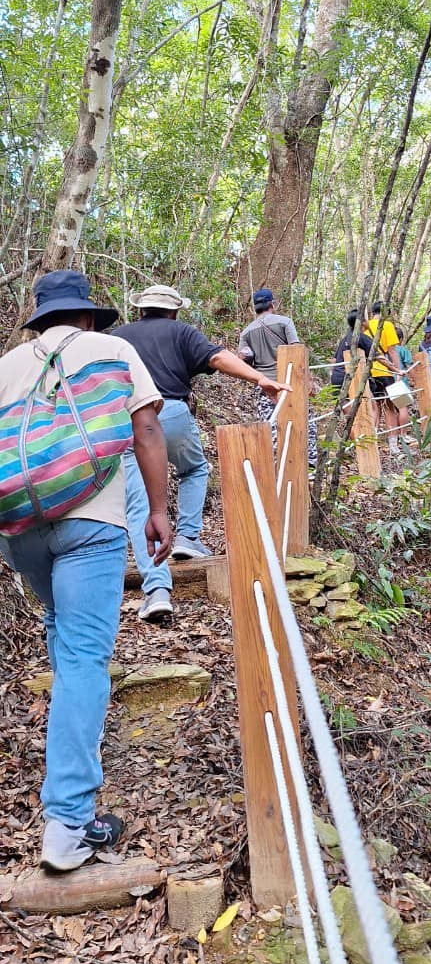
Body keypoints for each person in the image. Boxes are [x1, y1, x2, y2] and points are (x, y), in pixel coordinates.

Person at [0, 271, 173, 872]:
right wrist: (155, 510)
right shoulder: (114, 350)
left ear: (40, 320)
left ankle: (72, 740)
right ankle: (69, 824)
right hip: (92, 521)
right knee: (82, 661)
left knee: (59, 626)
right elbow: (146, 428)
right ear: (90, 317)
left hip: (19, 530)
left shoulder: (8, 364)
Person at [113, 285, 290, 625]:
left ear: (140, 310)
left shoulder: (119, 338)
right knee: (193, 469)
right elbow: (218, 357)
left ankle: (157, 592)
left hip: (129, 420)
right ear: (174, 311)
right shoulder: (181, 332)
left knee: (141, 504)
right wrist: (260, 380)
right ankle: (188, 536)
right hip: (172, 412)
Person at [238, 288, 318, 468]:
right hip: (290, 382)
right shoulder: (284, 323)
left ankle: (276, 469)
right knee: (305, 424)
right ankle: (309, 467)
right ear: (272, 304)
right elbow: (296, 351)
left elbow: (242, 361)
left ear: (255, 308)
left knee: (271, 428)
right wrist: (308, 380)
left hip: (264, 386)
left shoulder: (246, 332)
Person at [366, 302, 410, 453]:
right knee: (390, 408)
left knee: (374, 407)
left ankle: (372, 442)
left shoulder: (365, 326)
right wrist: (397, 370)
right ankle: (393, 445)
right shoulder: (387, 325)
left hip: (368, 372)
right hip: (384, 371)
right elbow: (392, 350)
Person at [331, 309, 373, 408]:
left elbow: (334, 360)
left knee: (346, 406)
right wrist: (397, 370)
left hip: (337, 377)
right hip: (352, 377)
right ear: (362, 322)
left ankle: (352, 423)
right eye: (367, 319)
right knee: (371, 406)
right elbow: (379, 357)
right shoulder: (362, 338)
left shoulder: (345, 339)